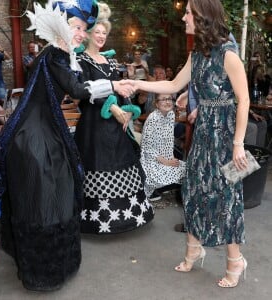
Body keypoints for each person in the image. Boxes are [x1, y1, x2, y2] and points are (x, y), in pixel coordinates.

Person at [0, 0, 134, 291]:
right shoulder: (55, 53)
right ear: (61, 26)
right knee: (42, 199)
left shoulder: (61, 53)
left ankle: (55, 263)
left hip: (45, 131)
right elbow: (79, 90)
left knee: (56, 192)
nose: (81, 33)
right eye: (76, 27)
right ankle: (43, 271)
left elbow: (77, 84)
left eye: (83, 28)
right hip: (35, 136)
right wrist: (115, 86)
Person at [125, 0, 250, 288]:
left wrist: (239, 144)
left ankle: (236, 260)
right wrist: (139, 84)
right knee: (193, 188)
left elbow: (242, 100)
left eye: (188, 13)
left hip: (227, 136)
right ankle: (194, 249)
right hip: (205, 130)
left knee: (227, 196)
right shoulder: (198, 54)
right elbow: (171, 85)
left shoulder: (229, 55)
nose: (183, 17)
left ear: (203, 16)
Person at [75, 2, 154, 234]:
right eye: (97, 32)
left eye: (104, 33)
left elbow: (118, 88)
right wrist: (112, 108)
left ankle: (126, 217)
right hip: (94, 124)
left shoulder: (110, 60)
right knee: (97, 163)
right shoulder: (82, 61)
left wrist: (127, 108)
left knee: (121, 161)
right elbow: (85, 91)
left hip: (117, 123)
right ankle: (96, 220)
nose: (101, 36)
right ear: (88, 34)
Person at [140, 93, 186, 200]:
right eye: (164, 99)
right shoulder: (153, 118)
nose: (168, 102)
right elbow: (147, 148)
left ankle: (163, 187)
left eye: (169, 98)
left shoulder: (171, 115)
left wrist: (171, 159)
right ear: (156, 103)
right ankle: (157, 189)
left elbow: (169, 142)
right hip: (150, 161)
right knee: (177, 172)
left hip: (166, 158)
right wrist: (166, 162)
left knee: (187, 169)